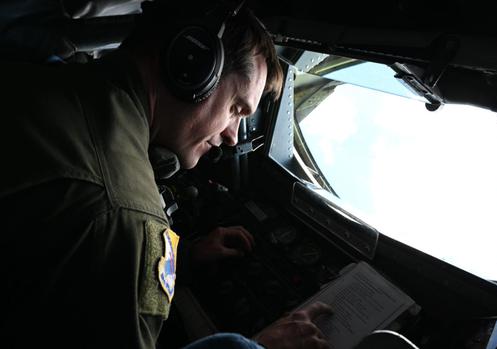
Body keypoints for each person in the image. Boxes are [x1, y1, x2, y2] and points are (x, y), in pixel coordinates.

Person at [0, 0, 332, 348]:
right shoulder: (125, 217)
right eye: (236, 108)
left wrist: (178, 259)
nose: (234, 135)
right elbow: (108, 226)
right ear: (193, 65)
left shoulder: (47, 77)